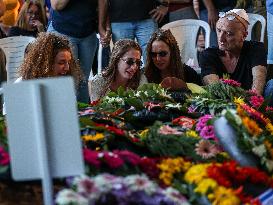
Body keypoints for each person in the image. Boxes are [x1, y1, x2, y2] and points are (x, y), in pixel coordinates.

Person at [199, 9, 267, 96]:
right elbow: (216, 90)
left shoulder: (256, 48)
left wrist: (252, 101)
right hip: (223, 104)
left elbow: (258, 86)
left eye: (228, 34)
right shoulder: (208, 55)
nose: (220, 39)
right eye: (219, 30)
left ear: (244, 35)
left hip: (250, 103)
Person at [48, 0, 98, 103]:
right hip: (63, 31)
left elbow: (102, 2)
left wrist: (102, 25)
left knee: (83, 81)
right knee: (67, 81)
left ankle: (83, 116)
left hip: (88, 32)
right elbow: (56, 5)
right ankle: (66, 115)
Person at [98, 0, 168, 64]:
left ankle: (152, 78)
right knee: (125, 62)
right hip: (119, 21)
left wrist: (165, 4)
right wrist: (101, 26)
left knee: (152, 60)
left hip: (148, 19)